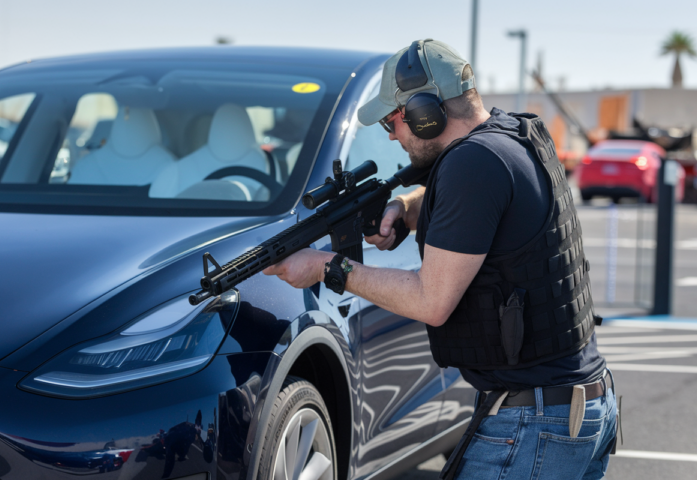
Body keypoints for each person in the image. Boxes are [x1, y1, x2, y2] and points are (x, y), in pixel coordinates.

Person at [264, 39, 617, 479]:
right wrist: (406, 210)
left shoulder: (472, 164)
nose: (392, 136)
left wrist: (326, 267)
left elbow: (431, 301)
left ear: (424, 113)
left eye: (393, 121)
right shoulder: (512, 136)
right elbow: (482, 203)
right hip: (577, 408)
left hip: (535, 423)